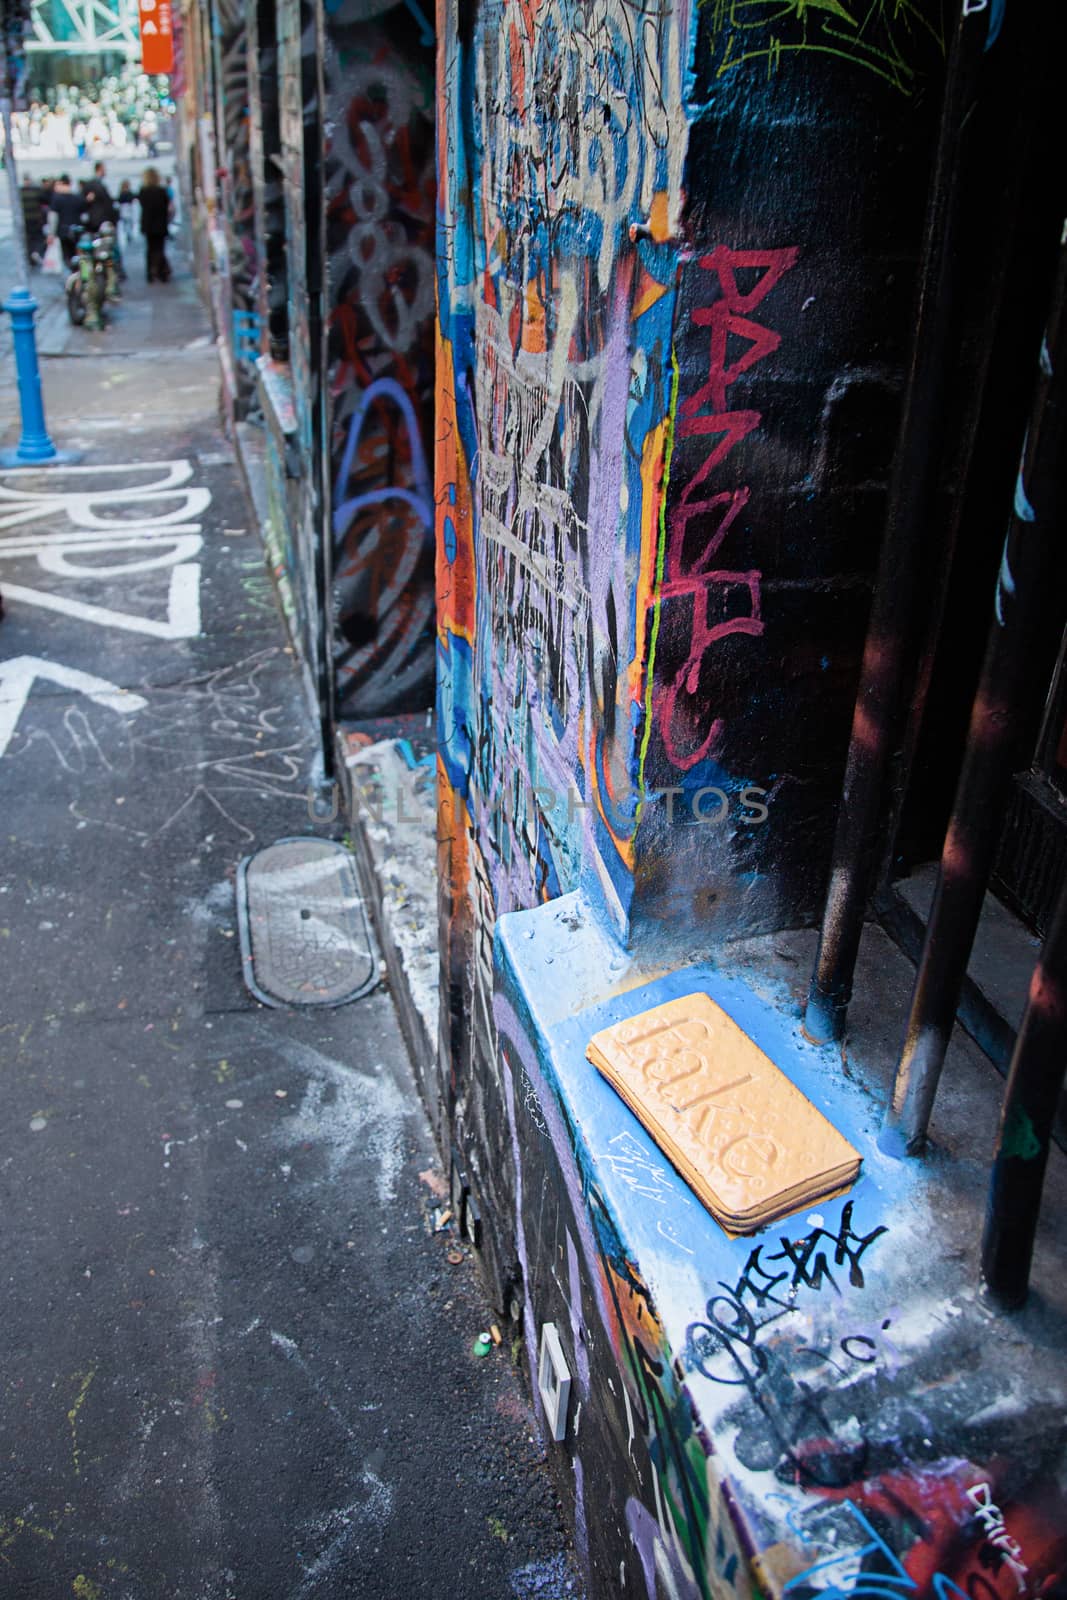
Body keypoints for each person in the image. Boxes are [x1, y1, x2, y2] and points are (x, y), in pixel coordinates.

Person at [138, 166, 172, 282]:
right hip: (160, 224)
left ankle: (150, 273)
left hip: (148, 225)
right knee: (160, 248)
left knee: (150, 248)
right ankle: (161, 271)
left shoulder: (143, 192)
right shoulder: (162, 191)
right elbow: (167, 206)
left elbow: (143, 205)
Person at [47, 174, 87, 268]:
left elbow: (53, 218)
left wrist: (51, 234)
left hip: (63, 231)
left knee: (66, 256)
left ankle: (71, 276)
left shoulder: (57, 198)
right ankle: (82, 274)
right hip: (78, 230)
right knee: (80, 254)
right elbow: (85, 216)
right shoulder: (77, 197)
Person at [81, 161, 117, 232]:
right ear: (99, 169)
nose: (105, 171)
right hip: (98, 221)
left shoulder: (96, 184)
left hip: (98, 220)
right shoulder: (94, 185)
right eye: (104, 169)